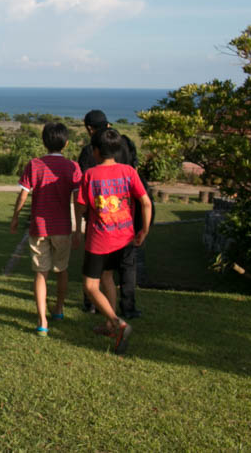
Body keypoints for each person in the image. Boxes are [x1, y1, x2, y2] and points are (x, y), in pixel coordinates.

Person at [74, 128, 152, 354]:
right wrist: (143, 231)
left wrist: (76, 228)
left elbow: (81, 206)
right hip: (126, 237)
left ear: (95, 151)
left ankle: (118, 323)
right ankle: (109, 325)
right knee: (108, 277)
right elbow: (145, 203)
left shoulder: (90, 175)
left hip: (100, 240)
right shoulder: (129, 171)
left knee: (90, 286)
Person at [10, 122, 82, 336]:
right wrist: (78, 229)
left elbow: (23, 194)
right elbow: (78, 201)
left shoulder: (34, 165)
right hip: (63, 228)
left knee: (40, 273)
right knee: (62, 270)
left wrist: (15, 217)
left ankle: (42, 321)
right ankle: (59, 309)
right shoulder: (73, 167)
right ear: (66, 143)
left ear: (44, 142)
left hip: (39, 228)